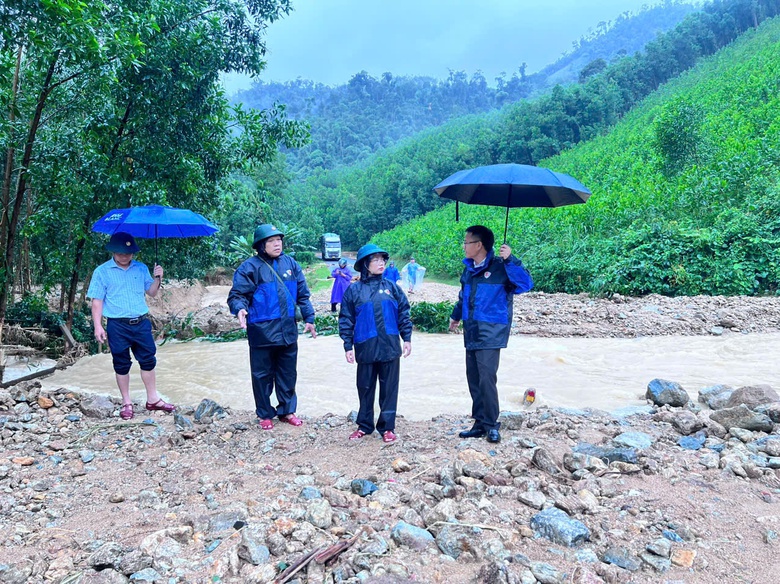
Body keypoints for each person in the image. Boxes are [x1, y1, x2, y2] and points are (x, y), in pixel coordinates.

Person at [227, 224, 317, 430]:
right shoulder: (249, 268)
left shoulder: (291, 264)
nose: (277, 244)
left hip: (288, 330)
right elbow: (237, 295)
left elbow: (303, 295)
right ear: (260, 245)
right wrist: (239, 309)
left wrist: (309, 318)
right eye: (271, 241)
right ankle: (265, 413)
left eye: (279, 240)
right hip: (261, 332)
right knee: (262, 375)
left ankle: (287, 411)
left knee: (287, 373)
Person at [449, 225, 533, 444]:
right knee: (474, 378)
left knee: (487, 378)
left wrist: (511, 259)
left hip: (492, 331)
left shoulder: (501, 267)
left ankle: (492, 425)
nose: (464, 246)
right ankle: (479, 422)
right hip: (472, 330)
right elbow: (463, 296)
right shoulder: (468, 269)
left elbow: (525, 284)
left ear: (479, 245)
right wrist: (456, 316)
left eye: (467, 242)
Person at [88, 232, 174, 421]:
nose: (124, 256)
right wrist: (98, 326)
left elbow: (151, 293)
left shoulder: (141, 268)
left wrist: (157, 278)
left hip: (141, 322)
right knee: (121, 363)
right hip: (117, 325)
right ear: (113, 251)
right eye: (120, 252)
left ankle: (153, 399)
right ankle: (126, 402)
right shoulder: (102, 272)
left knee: (148, 359)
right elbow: (97, 301)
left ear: (133, 252)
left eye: (128, 252)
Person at [339, 244, 412, 443]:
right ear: (364, 264)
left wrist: (407, 338)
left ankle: (387, 427)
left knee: (389, 389)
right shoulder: (354, 291)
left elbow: (404, 314)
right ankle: (364, 426)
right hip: (365, 347)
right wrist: (347, 345)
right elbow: (346, 319)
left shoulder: (392, 288)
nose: (381, 263)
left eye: (383, 259)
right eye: (376, 260)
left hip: (390, 347)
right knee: (365, 388)